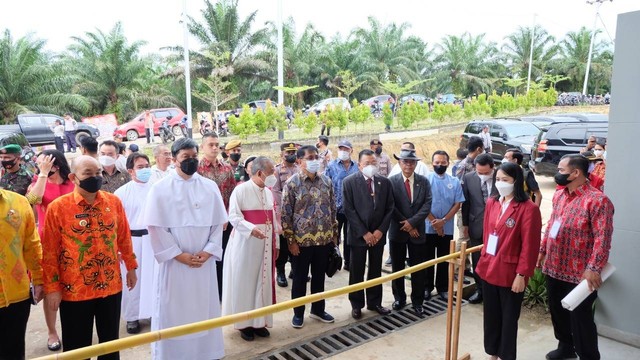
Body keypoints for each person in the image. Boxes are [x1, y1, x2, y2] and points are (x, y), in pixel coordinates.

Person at [42, 155, 138, 359]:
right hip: (75, 290)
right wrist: (52, 288)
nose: (95, 177)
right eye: (88, 173)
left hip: (110, 286)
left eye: (98, 173)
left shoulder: (113, 202)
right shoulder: (58, 208)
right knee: (77, 348)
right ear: (73, 177)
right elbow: (50, 251)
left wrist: (131, 266)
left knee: (110, 344)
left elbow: (124, 236)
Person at [143, 138, 226, 359]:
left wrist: (208, 252)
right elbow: (156, 227)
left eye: (193, 156)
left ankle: (206, 353)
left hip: (203, 263)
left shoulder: (209, 186)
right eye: (185, 157)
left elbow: (219, 224)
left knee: (204, 310)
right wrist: (179, 256)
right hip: (175, 265)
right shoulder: (160, 189)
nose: (191, 161)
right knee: (173, 311)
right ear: (175, 159)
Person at [538, 154, 614, 360]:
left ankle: (588, 356)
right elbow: (552, 224)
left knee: (581, 319)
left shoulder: (598, 201)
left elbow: (602, 238)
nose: (557, 174)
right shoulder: (560, 195)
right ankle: (565, 347)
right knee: (557, 311)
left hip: (581, 274)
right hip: (554, 266)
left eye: (561, 170)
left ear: (576, 173)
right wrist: (543, 250)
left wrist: (594, 268)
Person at [475, 162, 542, 360]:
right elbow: (488, 234)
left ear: (516, 181)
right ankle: (492, 353)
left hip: (510, 273)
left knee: (509, 319)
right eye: (498, 179)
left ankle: (505, 355)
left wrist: (522, 274)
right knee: (491, 316)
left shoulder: (528, 209)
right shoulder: (492, 202)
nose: (500, 183)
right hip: (489, 268)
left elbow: (530, 246)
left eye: (505, 180)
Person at [223, 156, 278, 341]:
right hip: (246, 245)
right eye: (271, 172)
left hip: (266, 246)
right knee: (245, 283)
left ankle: (259, 321)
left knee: (262, 283)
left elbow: (272, 220)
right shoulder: (241, 190)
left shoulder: (268, 192)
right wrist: (251, 229)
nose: (274, 175)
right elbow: (234, 217)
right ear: (260, 173)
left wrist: (276, 242)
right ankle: (244, 324)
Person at [283, 145, 338, 328]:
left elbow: (332, 210)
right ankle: (298, 313)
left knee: (319, 277)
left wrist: (334, 237)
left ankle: (318, 309)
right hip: (301, 243)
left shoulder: (327, 182)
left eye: (316, 157)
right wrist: (291, 242)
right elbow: (286, 215)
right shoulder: (292, 184)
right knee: (299, 278)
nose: (315, 160)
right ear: (299, 161)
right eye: (310, 157)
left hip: (323, 240)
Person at [25, 150, 74, 351]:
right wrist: (43, 174)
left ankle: (73, 328)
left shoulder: (71, 182)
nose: (42, 166)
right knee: (49, 289)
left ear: (58, 163)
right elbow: (32, 200)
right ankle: (52, 331)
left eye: (47, 163)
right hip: (47, 242)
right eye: (40, 163)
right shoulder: (38, 181)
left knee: (71, 286)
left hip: (72, 241)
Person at [343, 149, 395, 319]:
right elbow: (349, 210)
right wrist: (365, 233)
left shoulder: (384, 182)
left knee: (375, 270)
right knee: (356, 271)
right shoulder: (349, 182)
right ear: (359, 165)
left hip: (378, 235)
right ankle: (356, 305)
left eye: (374, 163)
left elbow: (389, 208)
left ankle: (375, 302)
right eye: (367, 163)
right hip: (359, 236)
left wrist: (380, 231)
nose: (371, 166)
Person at [114, 153, 157, 335]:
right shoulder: (121, 193)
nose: (145, 169)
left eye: (147, 165)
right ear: (130, 170)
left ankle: (154, 312)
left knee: (153, 279)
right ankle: (132, 317)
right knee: (132, 280)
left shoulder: (158, 189)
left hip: (154, 239)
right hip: (130, 242)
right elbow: (115, 224)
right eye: (140, 167)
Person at [0, 187, 44, 359]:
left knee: (14, 351)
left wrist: (39, 279)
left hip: (16, 296)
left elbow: (32, 245)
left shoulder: (19, 202)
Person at [388, 149, 432, 314]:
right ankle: (399, 298)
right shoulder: (391, 182)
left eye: (411, 161)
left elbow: (427, 205)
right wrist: (407, 225)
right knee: (398, 268)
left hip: (418, 232)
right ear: (399, 163)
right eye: (405, 161)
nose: (408, 164)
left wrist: (412, 224)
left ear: (416, 164)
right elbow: (390, 206)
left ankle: (418, 301)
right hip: (398, 232)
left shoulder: (424, 182)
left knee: (418, 268)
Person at [197, 133, 237, 300]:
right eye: (211, 144)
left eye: (217, 145)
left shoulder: (227, 169)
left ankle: (222, 293)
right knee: (205, 258)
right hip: (204, 223)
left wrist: (226, 217)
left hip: (225, 223)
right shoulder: (197, 170)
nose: (214, 148)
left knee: (223, 258)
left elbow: (232, 195)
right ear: (202, 147)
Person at [425, 150, 465, 301]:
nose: (439, 165)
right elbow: (422, 204)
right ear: (432, 163)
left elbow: (457, 203)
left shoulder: (454, 182)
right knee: (428, 259)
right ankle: (427, 287)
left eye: (443, 162)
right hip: (428, 227)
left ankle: (442, 288)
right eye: (437, 162)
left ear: (448, 163)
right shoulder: (425, 180)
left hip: (447, 229)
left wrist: (443, 222)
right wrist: (435, 223)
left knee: (444, 259)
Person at [461, 153, 496, 304]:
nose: (482, 176)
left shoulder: (502, 178)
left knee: (495, 259)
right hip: (476, 225)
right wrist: (465, 225)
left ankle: (493, 291)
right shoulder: (469, 178)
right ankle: (480, 290)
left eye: (486, 173)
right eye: (479, 172)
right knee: (477, 259)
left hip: (496, 228)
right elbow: (466, 203)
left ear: (493, 168)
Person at [324, 140, 359, 271]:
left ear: (351, 151)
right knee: (335, 237)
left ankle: (348, 262)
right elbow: (326, 186)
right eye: (341, 149)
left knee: (350, 237)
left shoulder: (356, 167)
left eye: (346, 149)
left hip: (352, 209)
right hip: (336, 209)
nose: (343, 152)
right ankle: (335, 261)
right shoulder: (331, 166)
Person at [272, 142, 299, 287]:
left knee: (297, 243)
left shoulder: (300, 169)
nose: (291, 155)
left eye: (293, 152)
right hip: (283, 214)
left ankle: (295, 270)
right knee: (283, 246)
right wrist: (285, 210)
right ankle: (280, 273)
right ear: (282, 154)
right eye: (288, 153)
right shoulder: (277, 170)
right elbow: (275, 191)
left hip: (299, 214)